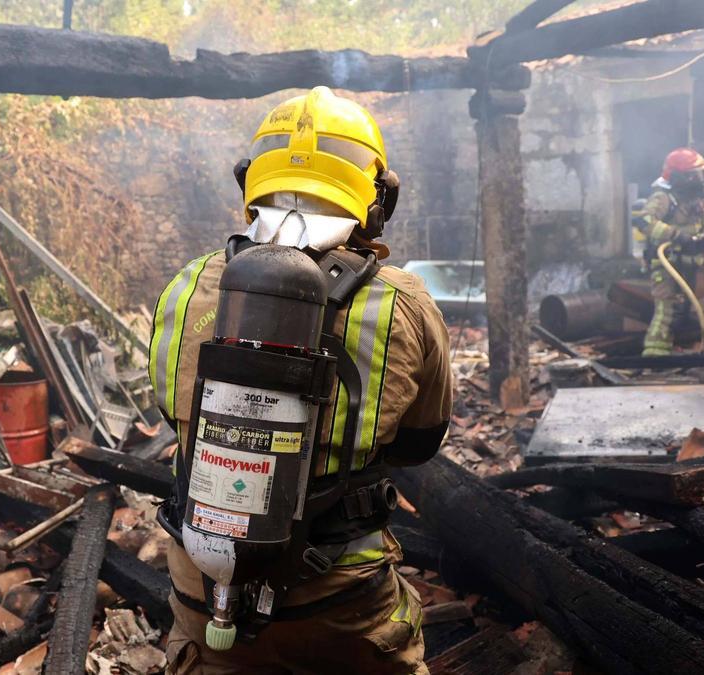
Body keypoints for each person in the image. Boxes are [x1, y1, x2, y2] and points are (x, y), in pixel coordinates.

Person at [148, 86, 452, 674]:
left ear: (248, 184)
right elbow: (420, 444)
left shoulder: (186, 288)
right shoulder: (403, 305)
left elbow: (172, 412)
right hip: (341, 602)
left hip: (206, 590)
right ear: (379, 197)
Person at [635, 148, 704, 357]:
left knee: (683, 311)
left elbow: (701, 227)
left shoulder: (694, 200)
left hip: (687, 264)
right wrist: (676, 236)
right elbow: (643, 221)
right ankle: (654, 356)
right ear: (682, 176)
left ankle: (671, 351)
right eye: (695, 174)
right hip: (666, 264)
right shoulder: (663, 197)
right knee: (666, 310)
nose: (700, 179)